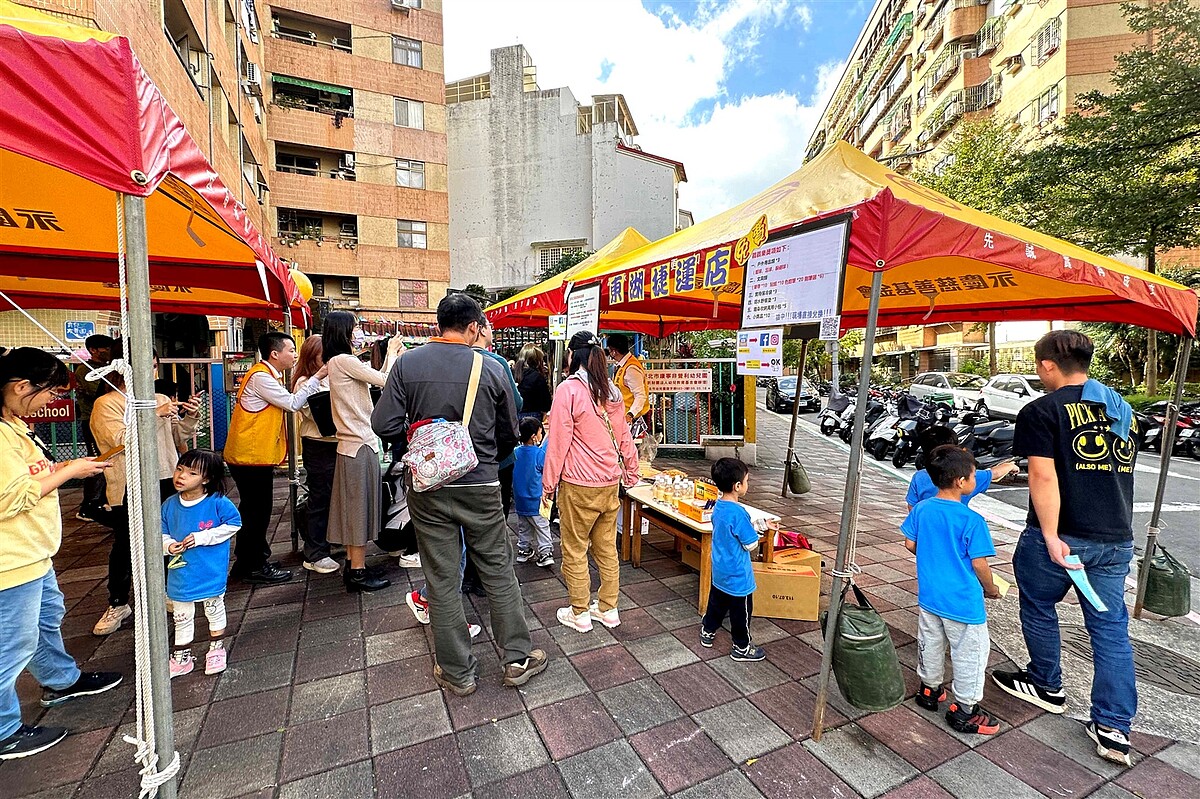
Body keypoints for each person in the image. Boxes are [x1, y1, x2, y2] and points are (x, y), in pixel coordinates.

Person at [373, 292, 546, 696]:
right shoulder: (490, 368)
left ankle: (457, 672)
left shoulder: (406, 364)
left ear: (438, 325)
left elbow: (384, 423)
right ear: (473, 327)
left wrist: (422, 441)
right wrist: (483, 458)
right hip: (482, 482)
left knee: (442, 575)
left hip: (429, 487)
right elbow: (510, 430)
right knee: (498, 570)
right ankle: (517, 659)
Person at [993, 330, 1140, 766]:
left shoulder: (1042, 410)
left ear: (1046, 366)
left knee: (1038, 605)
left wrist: (1053, 536)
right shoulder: (1119, 408)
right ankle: (1113, 727)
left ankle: (1046, 684)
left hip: (1059, 538)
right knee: (1111, 630)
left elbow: (1043, 478)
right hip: (1115, 540)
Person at [0, 348, 122, 760]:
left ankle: (60, 679)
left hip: (34, 550)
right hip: (10, 558)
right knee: (10, 645)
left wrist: (69, 468)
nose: (53, 402)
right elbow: (7, 498)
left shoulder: (13, 423)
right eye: (50, 392)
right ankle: (4, 730)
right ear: (20, 387)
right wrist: (69, 472)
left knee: (46, 619)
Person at [90, 359, 201, 636]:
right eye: (143, 363)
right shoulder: (107, 404)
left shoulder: (159, 397)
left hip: (166, 475)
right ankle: (118, 602)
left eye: (153, 364)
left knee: (169, 537)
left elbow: (178, 435)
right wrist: (153, 414)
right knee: (126, 543)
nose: (150, 370)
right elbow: (119, 441)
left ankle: (166, 590)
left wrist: (190, 416)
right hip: (130, 481)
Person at [902, 445, 1002, 736]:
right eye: (973, 475)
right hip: (963, 603)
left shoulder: (922, 508)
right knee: (970, 653)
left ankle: (929, 691)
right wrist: (992, 588)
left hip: (930, 597)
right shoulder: (971, 520)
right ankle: (965, 710)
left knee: (930, 643)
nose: (976, 480)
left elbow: (910, 544)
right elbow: (980, 564)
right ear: (961, 481)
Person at [543, 331, 639, 633]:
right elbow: (624, 436)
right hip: (610, 483)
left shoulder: (568, 390)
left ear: (574, 356)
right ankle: (609, 609)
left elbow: (558, 442)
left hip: (578, 484)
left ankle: (580, 612)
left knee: (574, 549)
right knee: (606, 548)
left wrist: (548, 485)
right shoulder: (610, 391)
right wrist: (632, 472)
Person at [224, 332, 327, 585]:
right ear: (274, 353)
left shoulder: (266, 375)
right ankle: (254, 566)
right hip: (250, 457)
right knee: (257, 512)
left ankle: (248, 561)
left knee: (254, 510)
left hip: (253, 455)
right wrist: (317, 378)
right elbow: (292, 404)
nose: (294, 354)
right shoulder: (261, 377)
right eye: (291, 350)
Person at [323, 312, 390, 592]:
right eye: (355, 328)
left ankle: (354, 566)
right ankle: (358, 572)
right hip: (359, 445)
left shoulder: (337, 363)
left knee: (353, 510)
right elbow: (385, 379)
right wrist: (395, 352)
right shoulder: (344, 361)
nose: (358, 333)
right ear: (344, 332)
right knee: (358, 511)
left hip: (351, 446)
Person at [162, 449, 240, 678]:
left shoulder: (218, 502)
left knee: (214, 608)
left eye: (191, 473)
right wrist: (168, 546)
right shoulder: (169, 504)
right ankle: (181, 656)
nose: (181, 476)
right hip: (180, 572)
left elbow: (234, 524)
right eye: (180, 469)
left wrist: (202, 537)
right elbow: (160, 531)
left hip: (210, 571)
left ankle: (216, 649)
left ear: (206, 479)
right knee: (181, 614)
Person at [700, 457, 775, 662]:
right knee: (741, 612)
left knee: (716, 603)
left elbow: (733, 533)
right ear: (737, 486)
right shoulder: (739, 513)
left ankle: (708, 631)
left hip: (720, 570)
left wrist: (760, 524)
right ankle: (741, 647)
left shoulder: (718, 507)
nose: (748, 485)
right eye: (747, 481)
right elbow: (750, 544)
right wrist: (759, 530)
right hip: (738, 575)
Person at [291, 336, 340, 575]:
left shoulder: (332, 377)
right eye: (325, 354)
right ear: (313, 356)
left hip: (336, 444)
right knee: (320, 498)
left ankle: (326, 544)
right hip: (319, 444)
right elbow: (316, 414)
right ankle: (315, 553)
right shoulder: (305, 382)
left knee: (331, 497)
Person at [73, 333, 115, 521]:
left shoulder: (108, 367)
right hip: (91, 420)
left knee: (110, 461)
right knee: (97, 462)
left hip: (107, 420)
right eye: (105, 348)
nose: (109, 352)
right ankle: (87, 506)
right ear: (93, 350)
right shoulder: (85, 370)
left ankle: (104, 501)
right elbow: (98, 391)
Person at [513, 417, 553, 567]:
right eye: (541, 432)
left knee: (524, 526)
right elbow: (547, 470)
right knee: (542, 526)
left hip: (520, 499)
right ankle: (545, 552)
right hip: (537, 499)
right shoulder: (539, 454)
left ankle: (524, 550)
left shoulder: (515, 452)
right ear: (534, 436)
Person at [605, 333, 649, 424]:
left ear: (614, 351)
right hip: (624, 415)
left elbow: (640, 395)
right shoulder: (622, 365)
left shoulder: (631, 369)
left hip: (634, 418)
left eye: (609, 350)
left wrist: (630, 415)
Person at [515, 344, 552, 421]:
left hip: (514, 416)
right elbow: (546, 403)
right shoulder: (538, 377)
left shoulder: (512, 374)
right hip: (533, 416)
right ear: (537, 360)